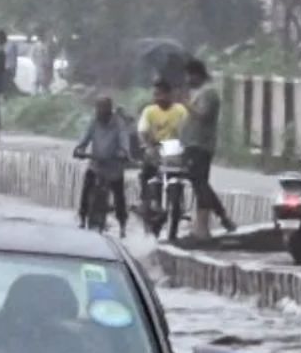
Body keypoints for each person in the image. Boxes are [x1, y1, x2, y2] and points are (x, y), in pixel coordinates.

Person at [181, 59, 236, 237]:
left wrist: (186, 104)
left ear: (197, 74)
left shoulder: (209, 93)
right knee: (200, 184)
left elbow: (204, 116)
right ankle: (220, 217)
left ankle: (204, 227)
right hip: (193, 144)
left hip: (200, 145)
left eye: (189, 75)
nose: (187, 79)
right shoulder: (201, 92)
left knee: (200, 185)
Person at [74, 96, 132, 236]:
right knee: (87, 188)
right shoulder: (93, 122)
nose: (100, 112)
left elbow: (124, 141)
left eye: (103, 109)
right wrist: (80, 150)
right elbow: (84, 139)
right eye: (98, 109)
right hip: (96, 164)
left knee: (119, 196)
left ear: (109, 109)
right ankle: (82, 217)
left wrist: (123, 152)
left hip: (114, 167)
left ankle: (122, 223)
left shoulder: (119, 124)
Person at [136, 80, 189, 221]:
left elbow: (188, 129)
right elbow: (142, 131)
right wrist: (147, 146)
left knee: (183, 174)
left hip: (175, 149)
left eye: (161, 94)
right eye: (156, 95)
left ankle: (181, 205)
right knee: (145, 174)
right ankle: (146, 201)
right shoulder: (149, 111)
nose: (158, 98)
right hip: (156, 148)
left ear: (169, 94)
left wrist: (189, 143)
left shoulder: (180, 110)